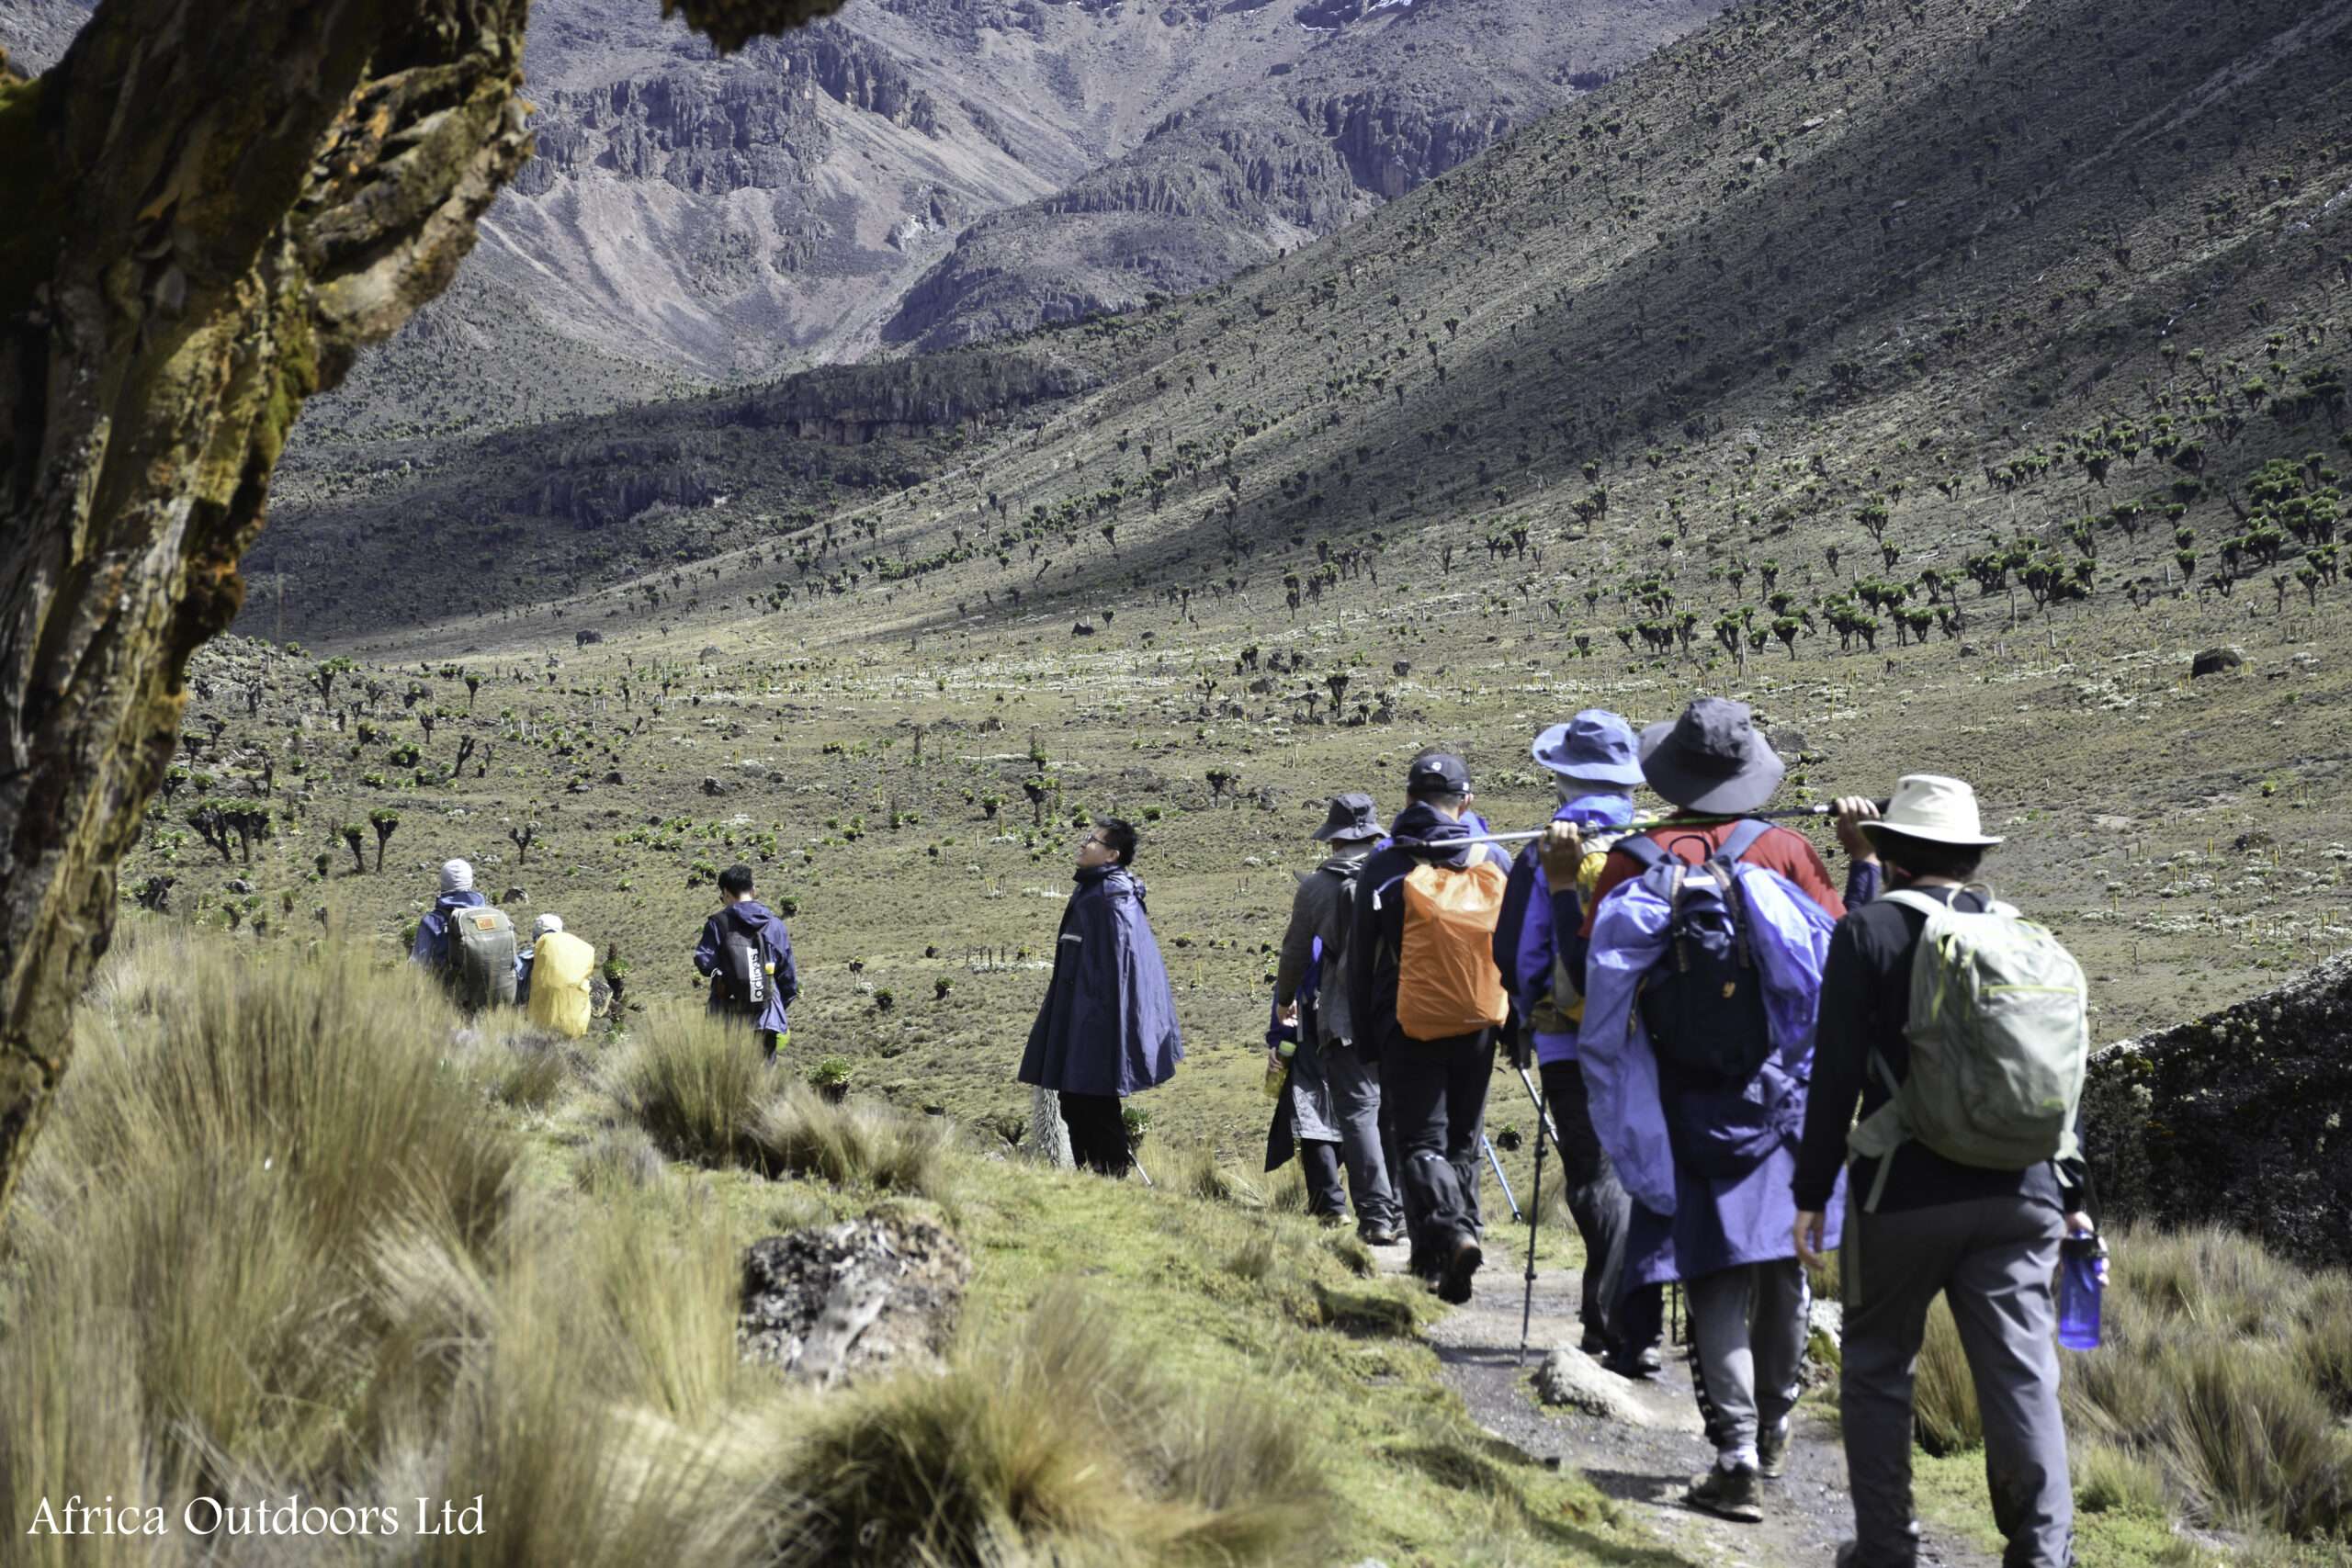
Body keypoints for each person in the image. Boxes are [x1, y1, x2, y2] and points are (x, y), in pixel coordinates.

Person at [1563, 697, 1879, 1525]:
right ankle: (1772, 1431)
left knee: (1710, 1272)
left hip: (1678, 1100)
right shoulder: (1785, 850)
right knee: (1781, 1265)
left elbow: (1587, 987)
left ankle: (1733, 1451)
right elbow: (1849, 963)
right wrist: (1864, 861)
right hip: (1779, 1101)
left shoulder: (1631, 862)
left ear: (1672, 775)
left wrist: (1566, 889)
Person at [1794, 776, 2092, 1568]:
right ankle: (2043, 1552)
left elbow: (1835, 1078)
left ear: (1889, 855)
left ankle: (1889, 1549)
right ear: (1969, 855)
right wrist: (2074, 1196)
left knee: (1879, 1368)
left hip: (1902, 1193)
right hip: (2023, 1191)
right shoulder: (2022, 934)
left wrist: (1808, 1193)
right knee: (2022, 1378)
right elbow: (2058, 1080)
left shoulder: (1869, 933)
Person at [1495, 710, 1664, 1374]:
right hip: (1642, 1039)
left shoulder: (1542, 855)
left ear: (1562, 774)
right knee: (1634, 1175)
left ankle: (1621, 1323)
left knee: (1593, 1176)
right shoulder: (1650, 843)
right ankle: (1618, 1314)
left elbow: (1514, 953)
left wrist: (1526, 1009)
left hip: (1567, 1041)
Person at [1348, 753, 1514, 1304]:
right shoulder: (1495, 857)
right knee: (1462, 1140)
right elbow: (1514, 948)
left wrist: (1365, 1038)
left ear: (1407, 800)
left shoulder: (1383, 863)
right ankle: (1442, 1251)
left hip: (1406, 1020)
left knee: (1420, 1143)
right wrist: (1516, 1026)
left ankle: (1449, 1233)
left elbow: (1359, 959)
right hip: (1478, 1021)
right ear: (1466, 802)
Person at [1017, 818, 1184, 1175]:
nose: (1083, 843)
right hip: (1081, 1012)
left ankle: (1112, 1175)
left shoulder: (1113, 898)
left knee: (1092, 1098)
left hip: (1097, 1020)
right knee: (1076, 1098)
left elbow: (1126, 969)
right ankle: (1092, 1176)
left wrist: (1108, 1022)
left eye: (1092, 840)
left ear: (1112, 854)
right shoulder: (1094, 891)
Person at [1272, 793, 1403, 1245]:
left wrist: (1284, 999)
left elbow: (1293, 954)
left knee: (1359, 1115)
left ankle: (1376, 1217)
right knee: (1398, 1113)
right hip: (1404, 1012)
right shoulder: (1402, 872)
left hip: (1344, 1016)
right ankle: (1405, 1212)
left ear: (1333, 840)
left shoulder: (1316, 888)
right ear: (1373, 833)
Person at [694, 863, 797, 1058]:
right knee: (762, 1082)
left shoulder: (718, 924)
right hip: (765, 1018)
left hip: (726, 1018)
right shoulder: (775, 925)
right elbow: (789, 980)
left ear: (725, 893)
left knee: (729, 1082)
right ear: (753, 890)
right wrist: (773, 1004)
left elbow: (704, 961)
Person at [519, 913, 598, 1039]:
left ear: (536, 936)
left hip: (539, 1025)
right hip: (576, 1026)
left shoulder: (534, 952)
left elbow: (518, 976)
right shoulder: (578, 950)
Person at [410, 858, 486, 970]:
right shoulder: (492, 917)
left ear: (443, 883)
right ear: (470, 882)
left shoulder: (432, 922)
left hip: (448, 987)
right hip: (494, 986)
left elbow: (416, 968)